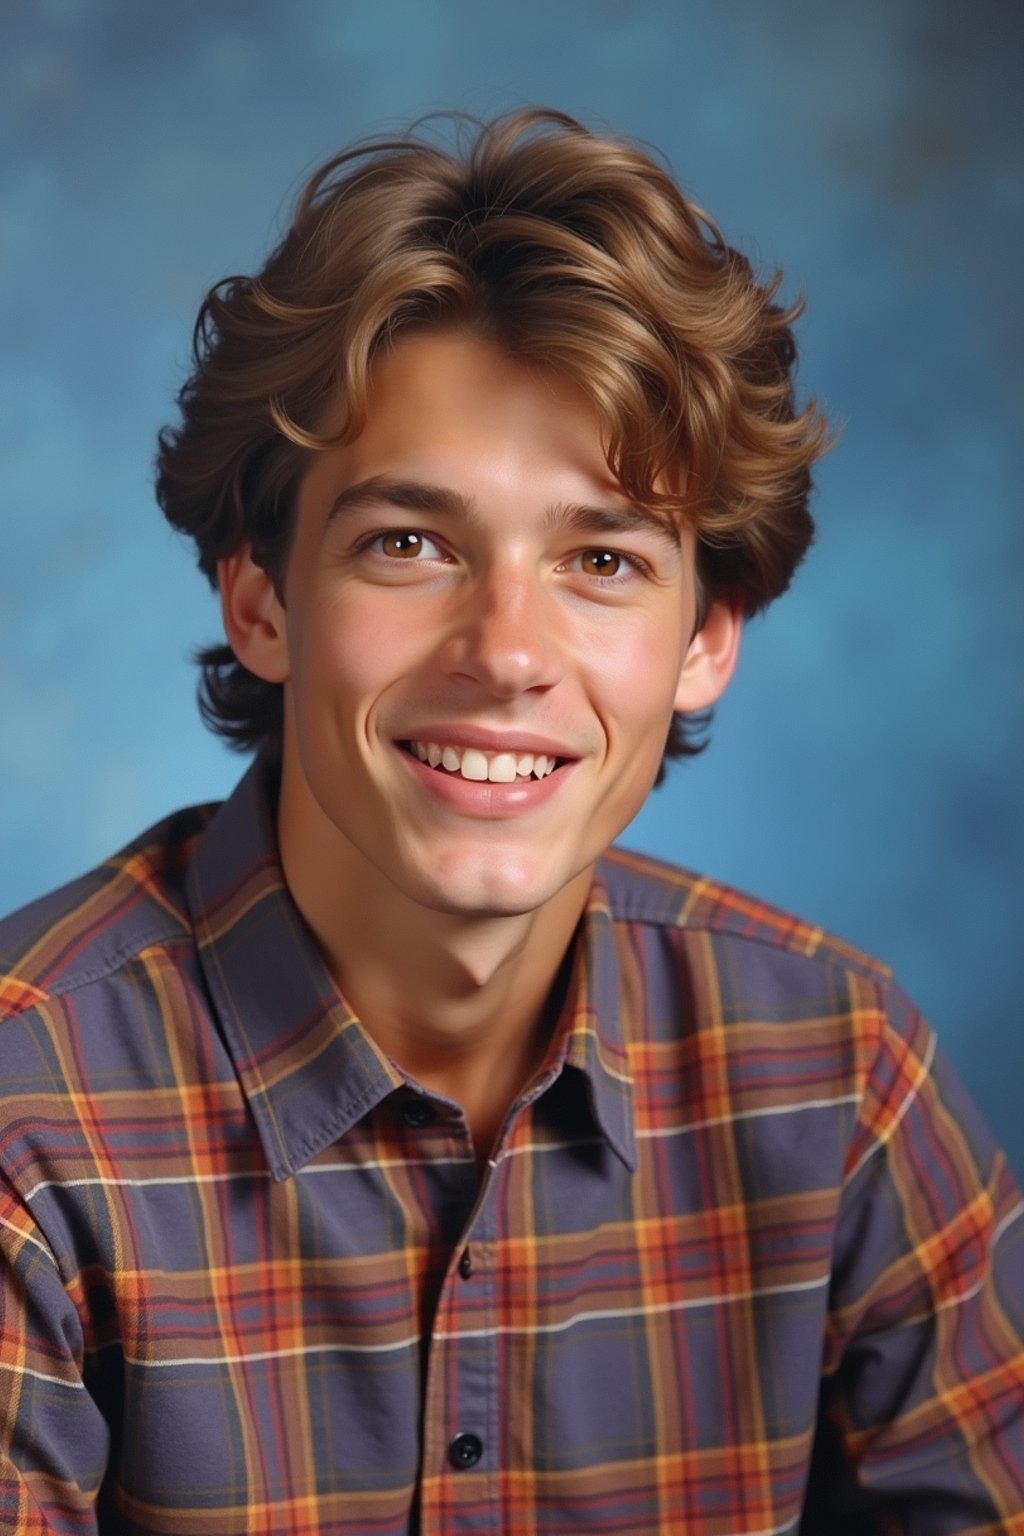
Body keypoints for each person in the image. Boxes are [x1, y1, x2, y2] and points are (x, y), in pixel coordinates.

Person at [1, 108, 1021, 1536]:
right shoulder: (23, 1120)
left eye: (602, 558)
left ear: (706, 639)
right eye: (408, 544)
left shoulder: (841, 1081)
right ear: (262, 599)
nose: (509, 650)